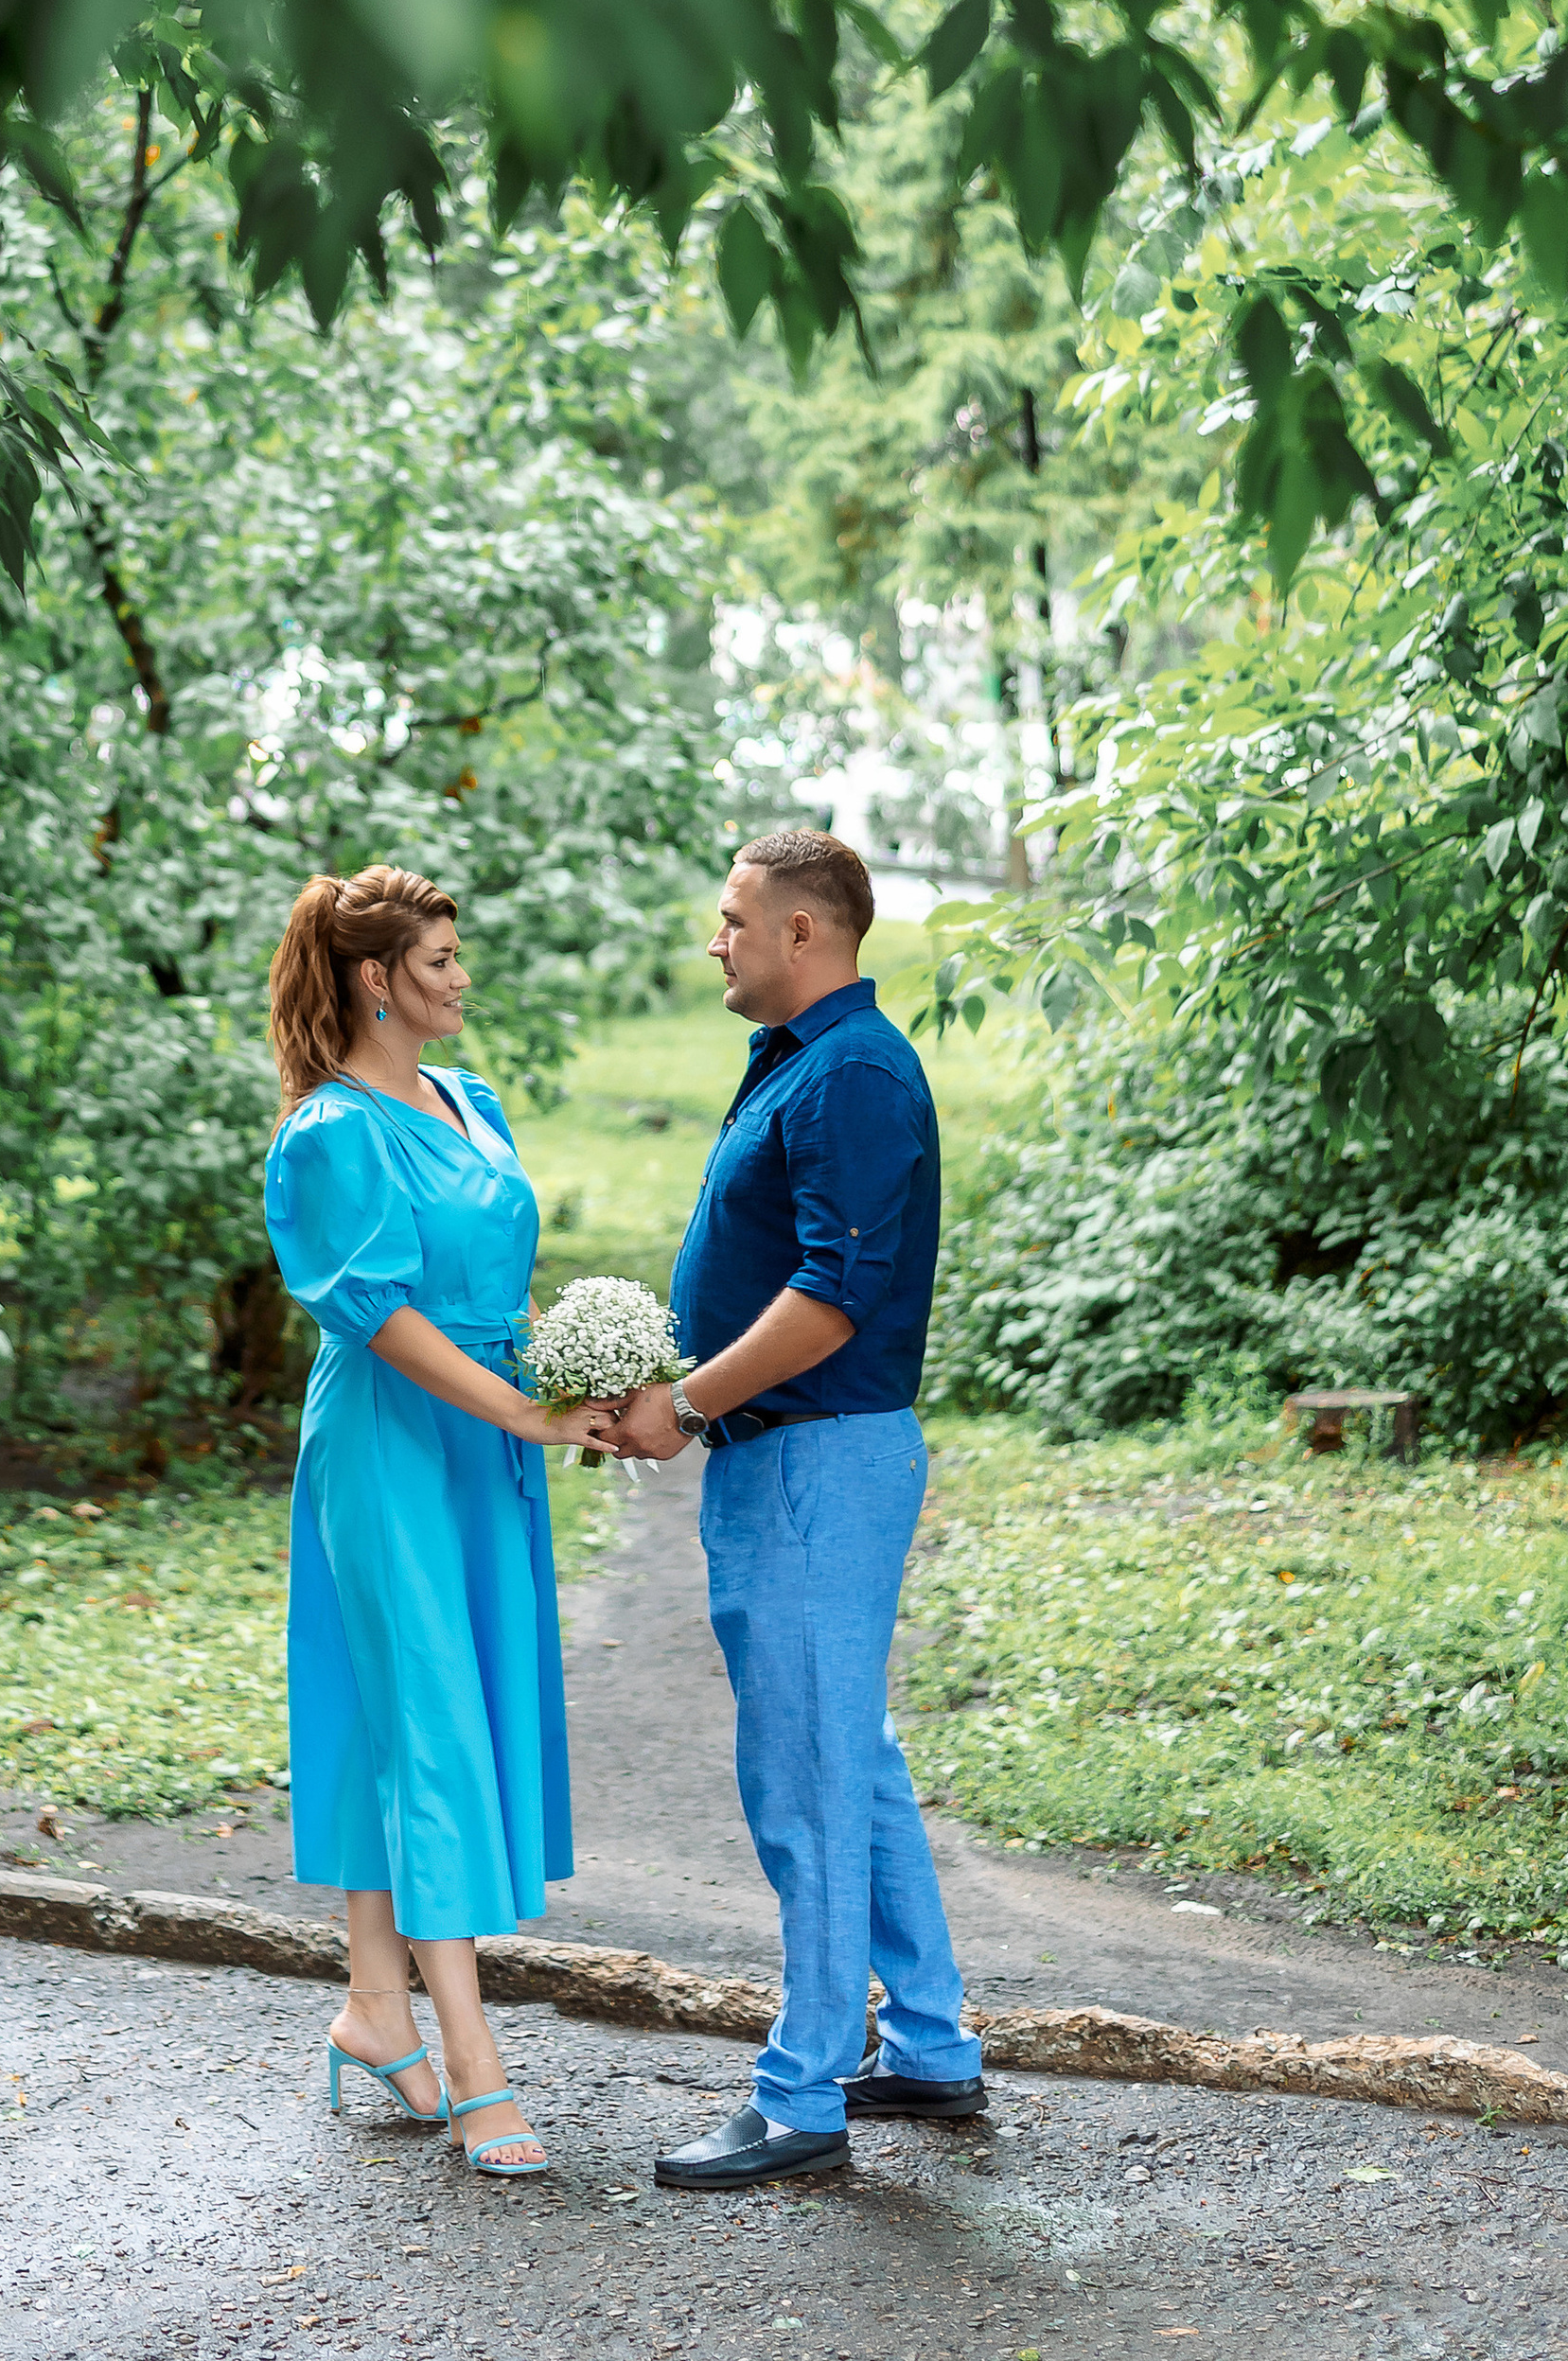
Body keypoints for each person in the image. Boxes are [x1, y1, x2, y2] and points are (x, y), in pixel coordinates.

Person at [608, 828, 984, 2188]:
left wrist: (689, 1400)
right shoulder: (804, 1061)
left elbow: (832, 1297)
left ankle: (800, 2097)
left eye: (731, 919)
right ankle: (932, 2043)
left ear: (804, 934)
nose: (715, 939)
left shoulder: (858, 1075)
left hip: (820, 1459)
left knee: (808, 1783)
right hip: (789, 1461)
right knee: (851, 1762)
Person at [262, 866, 617, 2178]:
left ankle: (374, 2003)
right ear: (376, 976)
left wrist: (567, 1383)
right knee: (434, 1726)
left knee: (396, 1715)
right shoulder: (328, 1133)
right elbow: (384, 1313)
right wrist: (523, 1416)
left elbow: (492, 1279)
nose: (463, 976)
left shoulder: (472, 1098)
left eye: (461, 955)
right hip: (392, 1437)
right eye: (442, 958)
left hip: (488, 1434)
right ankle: (474, 2063)